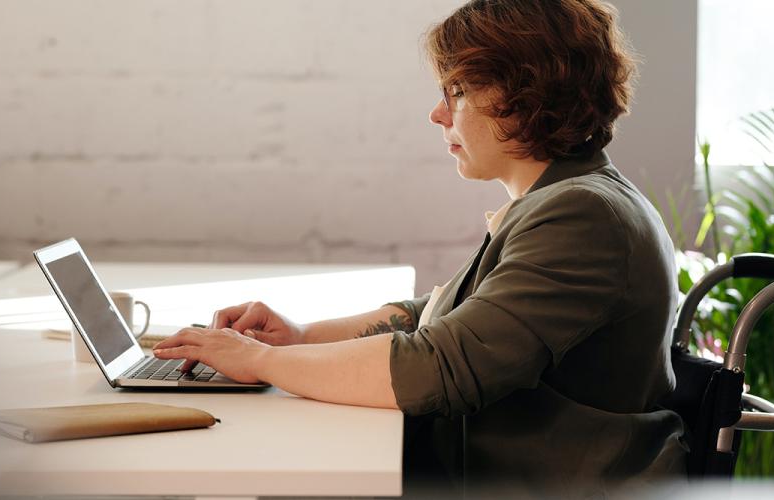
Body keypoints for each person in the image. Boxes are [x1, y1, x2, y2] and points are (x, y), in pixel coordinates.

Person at [154, 0, 687, 496]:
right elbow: (441, 316)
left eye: (456, 92)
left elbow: (442, 366)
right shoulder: (566, 198)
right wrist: (297, 339)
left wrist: (263, 363)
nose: (438, 114)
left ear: (524, 96)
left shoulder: (583, 216)